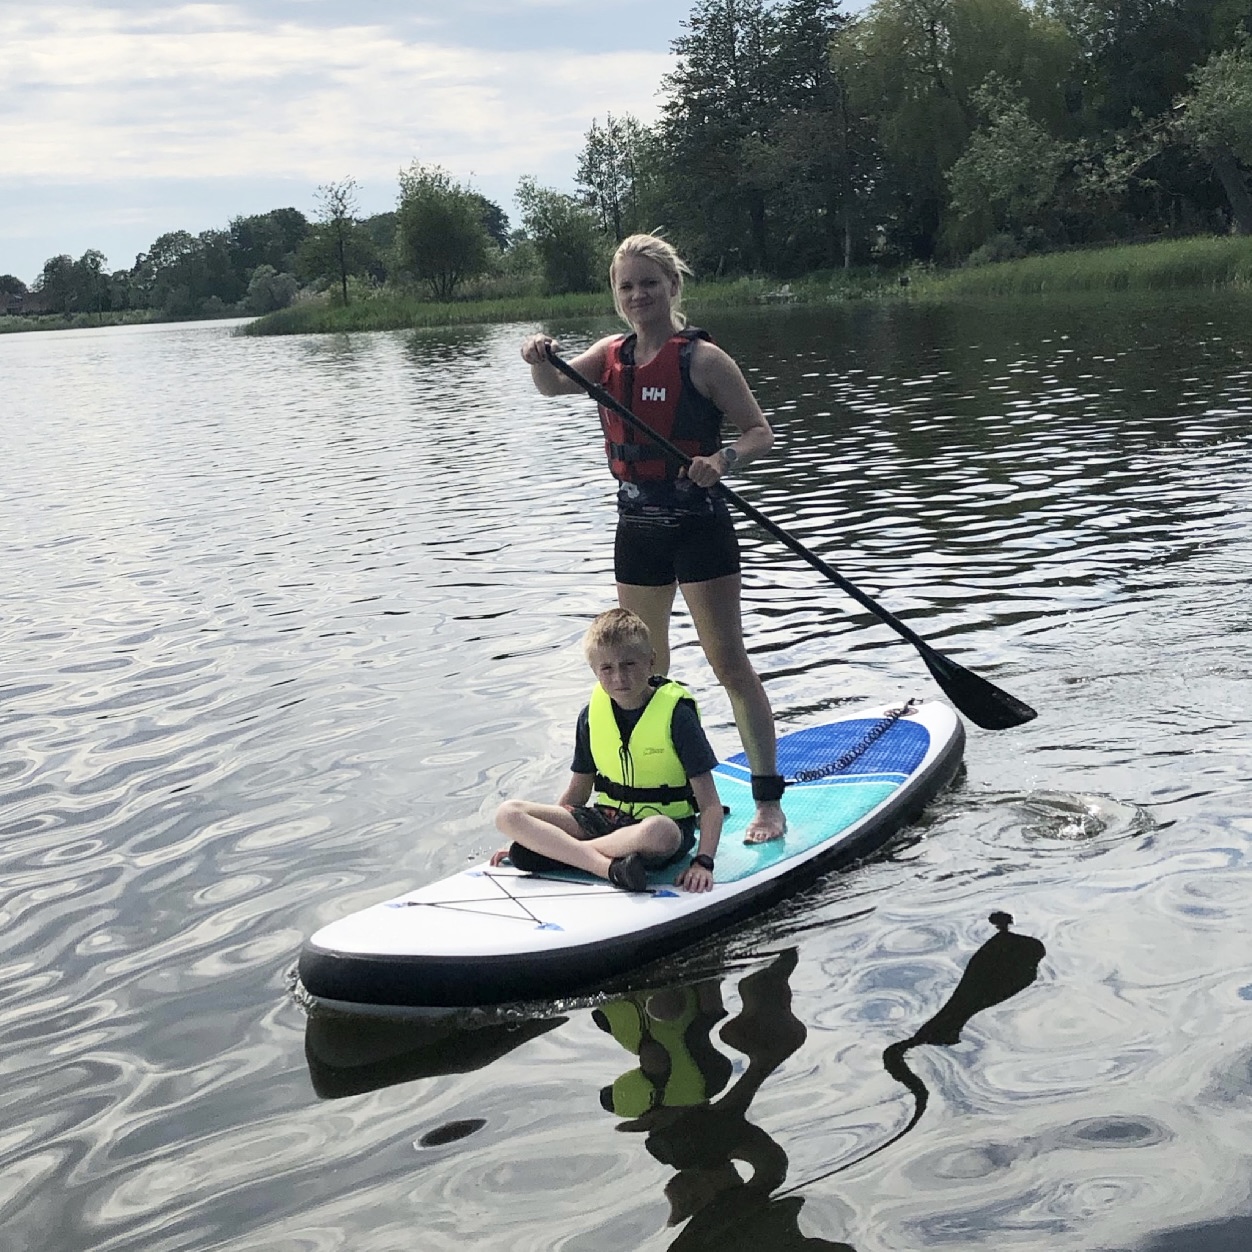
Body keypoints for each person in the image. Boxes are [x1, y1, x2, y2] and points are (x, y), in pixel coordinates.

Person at [520, 232, 786, 843]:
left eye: (649, 282)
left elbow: (759, 433)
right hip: (636, 527)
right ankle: (651, 803)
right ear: (617, 295)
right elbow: (553, 386)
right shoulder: (608, 356)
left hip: (698, 525)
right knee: (643, 668)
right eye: (627, 285)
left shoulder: (704, 361)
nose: (639, 294)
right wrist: (540, 357)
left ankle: (767, 803)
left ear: (672, 287)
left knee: (727, 662)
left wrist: (723, 459)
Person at [491, 608, 723, 893]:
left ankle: (565, 854)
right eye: (607, 668)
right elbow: (577, 795)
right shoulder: (590, 716)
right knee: (508, 814)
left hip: (658, 830)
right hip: (605, 821)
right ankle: (607, 867)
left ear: (651, 661)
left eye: (629, 664)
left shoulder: (678, 716)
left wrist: (703, 862)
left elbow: (710, 805)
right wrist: (533, 832)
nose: (619, 678)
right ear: (594, 671)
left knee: (659, 832)